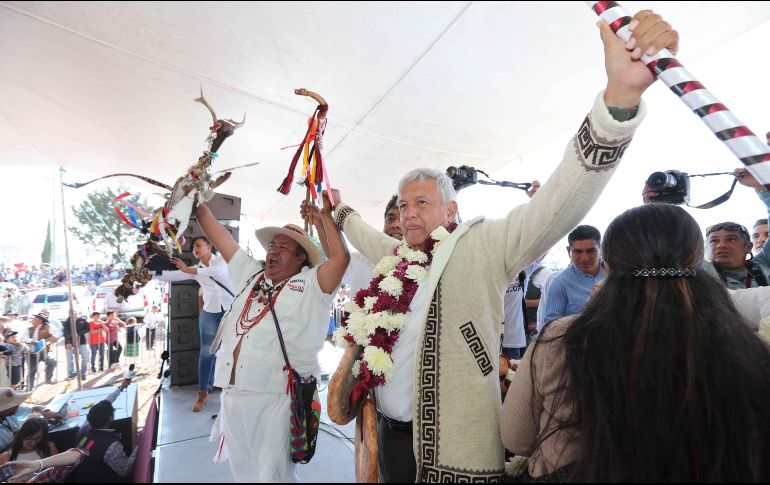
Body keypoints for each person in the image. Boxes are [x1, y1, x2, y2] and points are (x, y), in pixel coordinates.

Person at [328, 10, 679, 481]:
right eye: (403, 204)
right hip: (389, 435)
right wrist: (339, 210)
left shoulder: (484, 244)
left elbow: (557, 203)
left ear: (451, 212)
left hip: (455, 450)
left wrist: (618, 101)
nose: (408, 212)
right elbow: (366, 237)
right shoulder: (397, 258)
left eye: (421, 202)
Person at [501, 203, 770, 481]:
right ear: (698, 260)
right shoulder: (742, 342)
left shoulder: (562, 341)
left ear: (608, 265)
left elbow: (516, 438)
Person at [196, 194, 349, 482]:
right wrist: (196, 202)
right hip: (231, 393)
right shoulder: (251, 274)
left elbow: (340, 259)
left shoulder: (312, 285)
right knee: (243, 475)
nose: (273, 251)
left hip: (276, 397)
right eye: (271, 245)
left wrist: (322, 218)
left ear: (301, 257)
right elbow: (218, 235)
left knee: (273, 477)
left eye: (283, 246)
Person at [153, 236, 234, 412]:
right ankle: (203, 392)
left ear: (209, 246)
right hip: (210, 313)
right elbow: (173, 275)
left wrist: (188, 270)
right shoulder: (194, 269)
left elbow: (217, 273)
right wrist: (150, 272)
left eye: (198, 245)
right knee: (206, 353)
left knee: (233, 351)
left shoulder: (221, 260)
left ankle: (234, 389)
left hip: (232, 311)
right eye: (193, 247)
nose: (195, 249)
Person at [68, 378, 137, 482]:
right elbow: (124, 470)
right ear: (110, 418)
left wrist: (121, 388)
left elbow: (106, 402)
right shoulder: (111, 446)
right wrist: (138, 447)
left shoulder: (84, 427)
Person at [542, 225, 604, 325]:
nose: (585, 258)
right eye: (578, 252)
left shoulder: (615, 273)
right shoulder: (560, 283)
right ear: (568, 251)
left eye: (591, 251)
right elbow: (551, 327)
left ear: (601, 249)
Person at [23, 314, 60, 388]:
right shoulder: (28, 328)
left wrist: (53, 338)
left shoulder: (48, 327)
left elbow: (59, 332)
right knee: (32, 370)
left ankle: (48, 378)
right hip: (31, 353)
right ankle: (29, 388)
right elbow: (25, 338)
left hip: (44, 351)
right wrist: (33, 341)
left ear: (40, 320)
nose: (33, 319)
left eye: (35, 318)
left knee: (52, 361)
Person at [63, 312, 90, 381]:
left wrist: (78, 334)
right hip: (70, 342)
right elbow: (65, 333)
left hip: (82, 342)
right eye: (71, 313)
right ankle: (71, 374)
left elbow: (87, 328)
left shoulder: (83, 320)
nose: (73, 314)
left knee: (86, 357)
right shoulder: (66, 322)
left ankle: (83, 373)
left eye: (75, 313)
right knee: (70, 359)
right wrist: (68, 342)